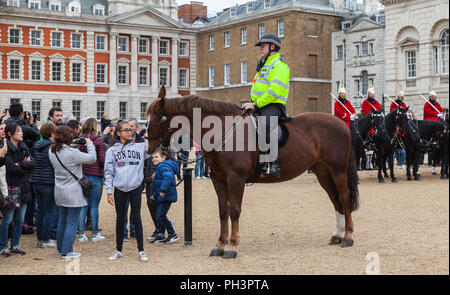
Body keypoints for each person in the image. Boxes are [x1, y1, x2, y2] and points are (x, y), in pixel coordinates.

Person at [243, 33, 290, 178]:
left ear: (272, 47)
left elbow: (274, 91)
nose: (260, 49)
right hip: (259, 104)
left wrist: (256, 104)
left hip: (273, 104)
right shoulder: (264, 66)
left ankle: (274, 164)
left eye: (262, 46)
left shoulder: (279, 66)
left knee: (265, 125)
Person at [48, 126, 96, 259]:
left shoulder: (51, 150)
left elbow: (63, 151)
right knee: (72, 222)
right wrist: (90, 145)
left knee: (62, 221)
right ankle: (67, 251)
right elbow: (92, 158)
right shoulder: (73, 153)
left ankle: (61, 248)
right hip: (73, 191)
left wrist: (71, 145)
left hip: (59, 189)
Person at [105, 121, 149, 262]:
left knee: (137, 218)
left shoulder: (140, 147)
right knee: (120, 218)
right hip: (120, 189)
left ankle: (141, 251)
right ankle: (118, 249)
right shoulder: (111, 150)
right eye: (125, 130)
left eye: (130, 130)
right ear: (118, 133)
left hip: (135, 187)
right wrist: (109, 191)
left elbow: (157, 147)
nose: (129, 132)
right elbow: (108, 172)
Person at [0, 122, 34, 257]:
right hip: (11, 186)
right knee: (7, 219)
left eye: (21, 131)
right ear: (10, 133)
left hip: (24, 186)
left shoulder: (23, 146)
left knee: (20, 219)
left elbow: (33, 163)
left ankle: (15, 245)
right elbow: (9, 167)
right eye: (18, 131)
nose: (21, 133)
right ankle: (3, 246)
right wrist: (25, 165)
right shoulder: (4, 146)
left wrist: (22, 164)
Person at [76, 118, 106, 242]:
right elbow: (102, 160)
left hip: (82, 175)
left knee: (83, 205)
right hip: (96, 176)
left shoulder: (78, 140)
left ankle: (81, 234)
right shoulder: (98, 141)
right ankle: (94, 233)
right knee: (94, 206)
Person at [31, 123, 58, 248]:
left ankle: (40, 239)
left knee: (41, 211)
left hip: (36, 181)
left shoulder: (36, 146)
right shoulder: (52, 147)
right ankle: (45, 238)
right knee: (49, 211)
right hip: (48, 182)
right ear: (52, 133)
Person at [151, 148, 180, 244]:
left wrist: (163, 190)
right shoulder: (162, 166)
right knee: (160, 215)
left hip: (166, 196)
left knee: (160, 215)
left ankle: (172, 234)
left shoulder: (163, 166)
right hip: (164, 196)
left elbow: (168, 177)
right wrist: (155, 195)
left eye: (156, 157)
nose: (154, 159)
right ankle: (169, 233)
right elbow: (159, 184)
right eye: (153, 157)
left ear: (163, 158)